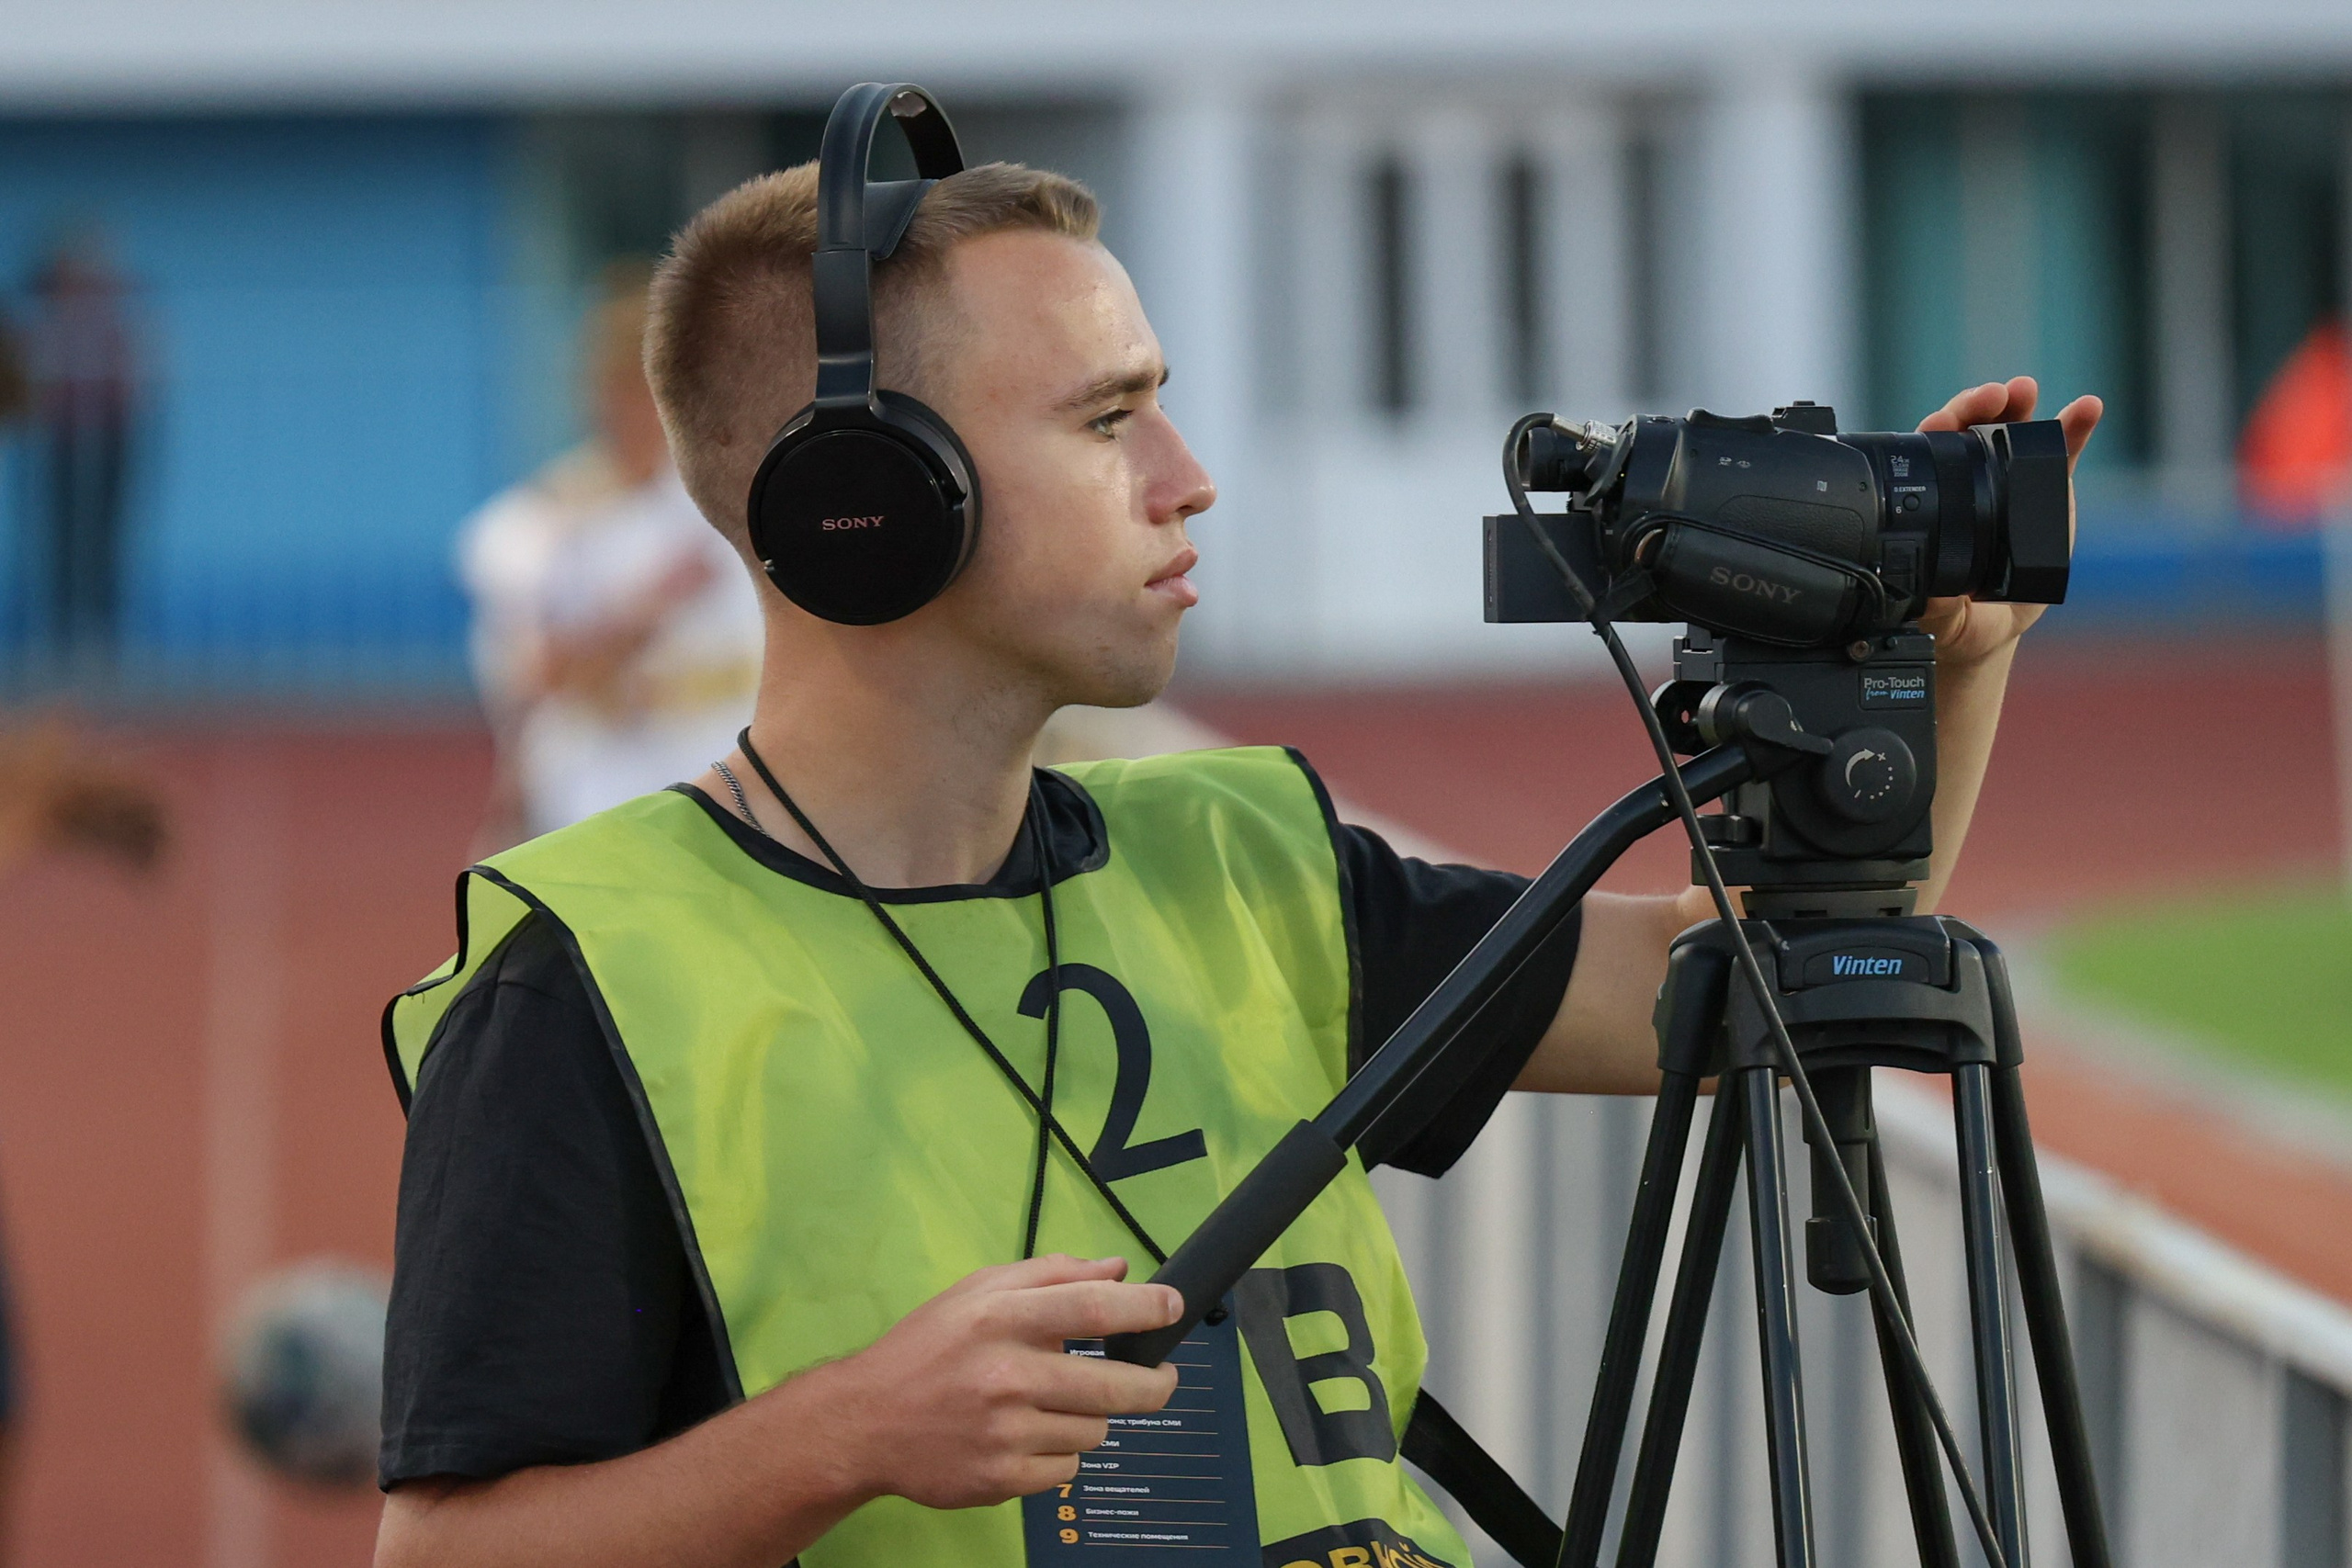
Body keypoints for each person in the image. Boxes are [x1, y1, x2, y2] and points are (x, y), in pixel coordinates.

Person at [372, 152, 2099, 1568]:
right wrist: (849, 1431)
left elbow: (1741, 984)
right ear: (870, 500)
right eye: (1107, 419)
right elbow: (443, 1551)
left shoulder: (1243, 855)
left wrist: (1949, 669)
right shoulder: (588, 973)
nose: (1188, 480)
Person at [456, 269, 763, 852]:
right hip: (603, 781)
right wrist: (647, 609)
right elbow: (536, 678)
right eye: (629, 388)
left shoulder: (732, 499)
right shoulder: (541, 522)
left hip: (729, 766)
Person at [24, 237, 138, 669]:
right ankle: (62, 634)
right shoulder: (49, 327)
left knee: (105, 537)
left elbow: (134, 384)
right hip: (64, 444)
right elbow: (36, 388)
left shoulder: (116, 329)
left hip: (109, 443)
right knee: (62, 537)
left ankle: (102, 636)